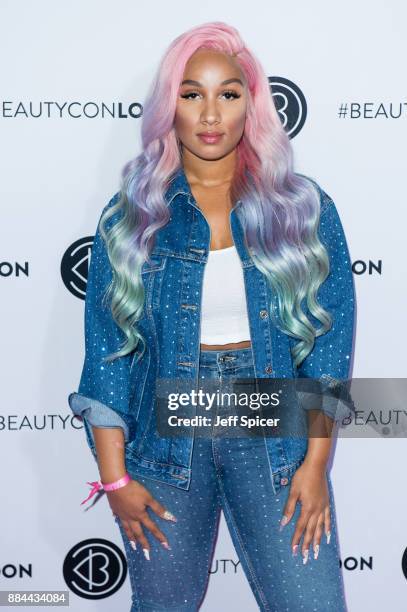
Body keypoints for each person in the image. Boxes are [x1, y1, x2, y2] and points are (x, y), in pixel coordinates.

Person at [68, 21, 355, 612]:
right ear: (168, 106)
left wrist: (317, 464)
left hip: (274, 434)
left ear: (251, 103)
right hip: (165, 441)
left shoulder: (302, 209)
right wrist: (115, 479)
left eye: (228, 92)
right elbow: (106, 355)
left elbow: (328, 347)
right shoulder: (130, 219)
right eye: (191, 93)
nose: (210, 113)